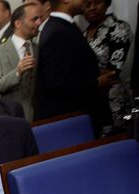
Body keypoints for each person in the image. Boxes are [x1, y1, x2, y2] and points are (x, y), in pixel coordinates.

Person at [34, 0, 113, 135]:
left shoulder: (64, 26)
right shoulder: (58, 31)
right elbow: (58, 82)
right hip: (70, 125)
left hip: (78, 119)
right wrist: (97, 83)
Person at [0, 2, 42, 121]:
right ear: (18, 23)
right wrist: (17, 72)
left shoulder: (38, 48)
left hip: (42, 117)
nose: (39, 23)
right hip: (14, 119)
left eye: (39, 19)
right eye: (34, 19)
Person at [83, 0, 132, 133]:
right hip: (90, 101)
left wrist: (83, 81)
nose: (92, 8)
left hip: (112, 100)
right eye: (87, 4)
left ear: (106, 3)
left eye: (97, 2)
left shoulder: (119, 28)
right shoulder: (82, 34)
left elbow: (112, 70)